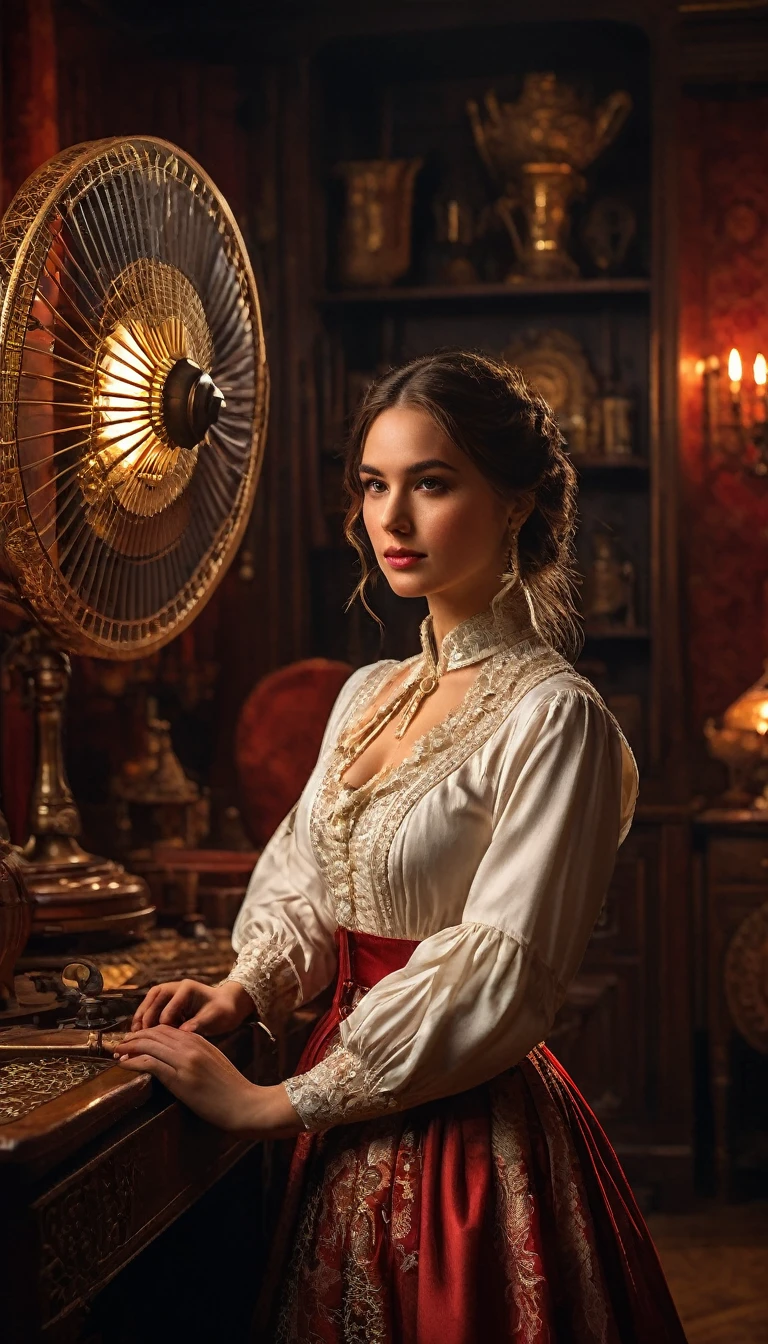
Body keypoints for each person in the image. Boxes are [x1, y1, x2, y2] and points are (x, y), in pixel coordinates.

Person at [118, 350, 688, 1343]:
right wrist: (243, 988)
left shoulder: (557, 721)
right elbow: (305, 871)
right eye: (376, 485)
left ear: (516, 502)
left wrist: (271, 1106)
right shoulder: (365, 692)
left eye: (432, 483)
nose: (392, 518)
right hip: (336, 1130)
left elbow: (500, 975)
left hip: (469, 1150)